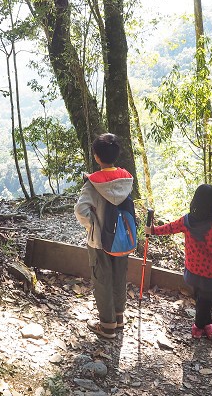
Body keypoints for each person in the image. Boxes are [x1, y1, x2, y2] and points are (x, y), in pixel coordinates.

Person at [146, 183, 212, 339]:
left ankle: (207, 325)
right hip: (209, 275)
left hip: (191, 272)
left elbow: (169, 228)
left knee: (200, 299)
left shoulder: (186, 221)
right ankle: (198, 328)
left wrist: (153, 230)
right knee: (206, 301)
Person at [74, 133, 134, 339]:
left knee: (102, 278)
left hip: (100, 240)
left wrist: (92, 226)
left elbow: (81, 210)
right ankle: (118, 317)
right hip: (122, 238)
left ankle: (107, 325)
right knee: (119, 276)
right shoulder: (126, 179)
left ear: (97, 157)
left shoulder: (92, 183)